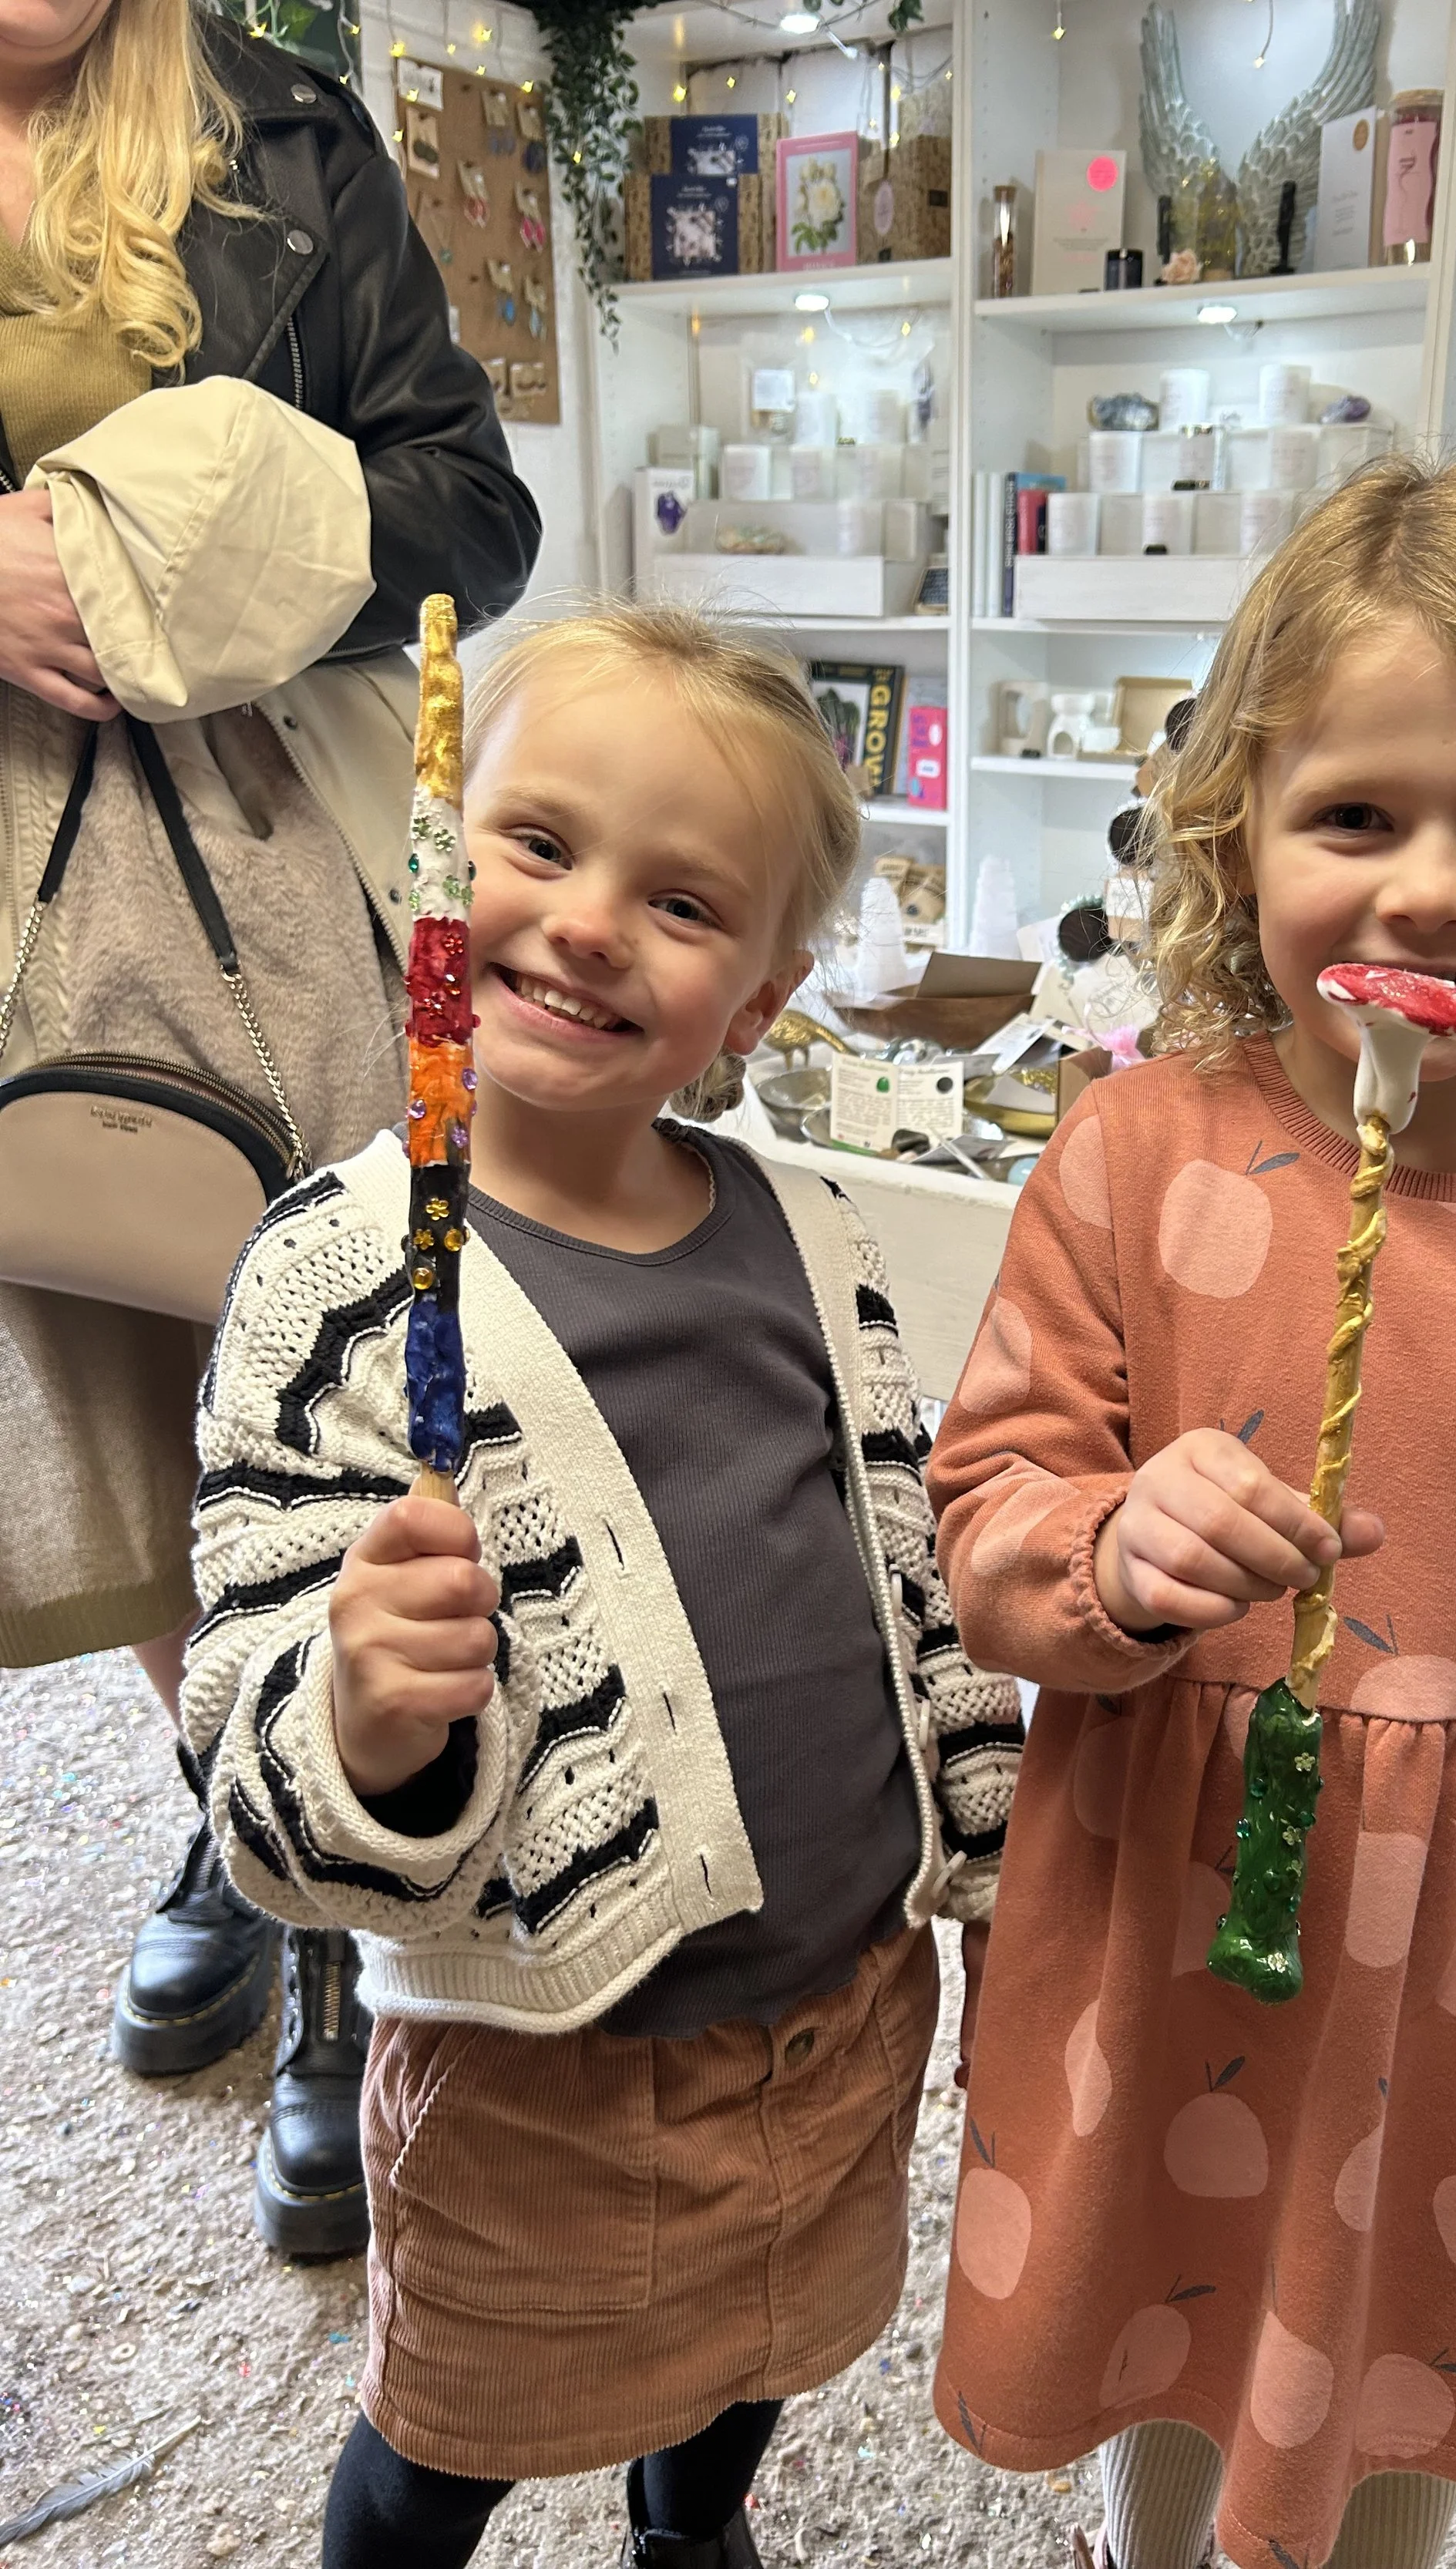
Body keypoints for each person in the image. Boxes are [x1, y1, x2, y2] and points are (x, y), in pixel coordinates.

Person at [925, 460, 1456, 2569]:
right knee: (1170, 2316)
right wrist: (1108, 1550)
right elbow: (986, 1514)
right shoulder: (1133, 1150)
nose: (1430, 887)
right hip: (1167, 1888)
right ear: (1237, 831)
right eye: (1356, 818)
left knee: (1390, 2348)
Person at [177, 604, 1024, 2569]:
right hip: (539, 2046)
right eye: (536, 844)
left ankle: (687, 2521)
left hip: (836, 2000)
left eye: (682, 901)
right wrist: (365, 1714)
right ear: (428, 862)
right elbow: (247, 1704)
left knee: (766, 2347)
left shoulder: (814, 1236)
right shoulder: (336, 1273)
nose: (586, 923)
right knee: (457, 2416)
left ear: (761, 992)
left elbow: (914, 1564)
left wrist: (986, 1852)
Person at [0, 0, 540, 2254]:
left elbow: (471, 516)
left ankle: (333, 1901)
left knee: (316, 1355)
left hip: (271, 863)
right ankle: (229, 1805)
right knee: (104, 1376)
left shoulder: (282, 128)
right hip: (9, 914)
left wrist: (178, 549)